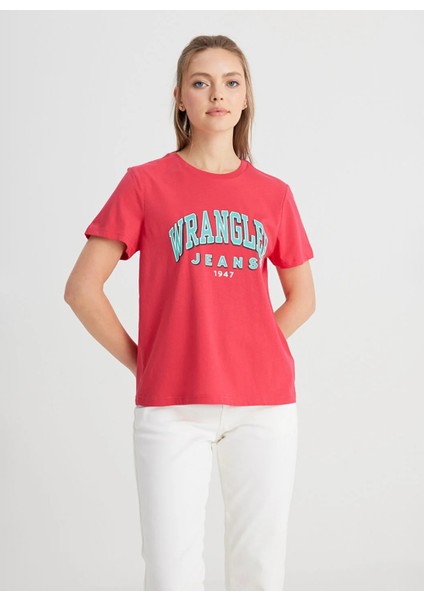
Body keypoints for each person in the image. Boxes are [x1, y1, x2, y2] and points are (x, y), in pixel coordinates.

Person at [64, 34, 316, 591]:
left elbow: (303, 296)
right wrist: (146, 362)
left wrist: (250, 344)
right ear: (179, 97)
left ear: (246, 97)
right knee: (171, 575)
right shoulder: (145, 184)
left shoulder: (274, 194)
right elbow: (82, 289)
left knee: (259, 572)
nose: (217, 94)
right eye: (201, 82)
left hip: (264, 407)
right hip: (171, 409)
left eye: (231, 82)